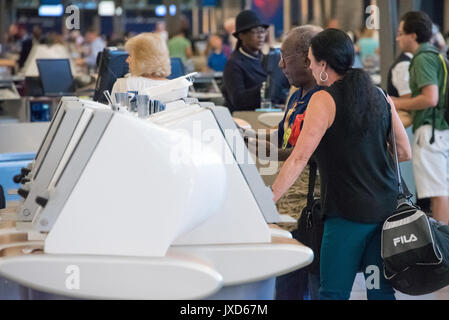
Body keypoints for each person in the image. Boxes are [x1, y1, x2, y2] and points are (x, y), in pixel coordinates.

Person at [271, 28, 411, 300]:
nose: (309, 66)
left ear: (323, 64)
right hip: (384, 211)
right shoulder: (379, 95)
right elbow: (404, 151)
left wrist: (269, 198)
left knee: (333, 292)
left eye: (311, 60)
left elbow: (299, 157)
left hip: (346, 215)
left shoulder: (323, 99)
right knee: (380, 291)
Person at [391, 11, 449, 225]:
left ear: (413, 36)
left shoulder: (422, 59)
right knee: (441, 188)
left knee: (437, 190)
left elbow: (430, 98)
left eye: (400, 34)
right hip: (439, 130)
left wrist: (395, 103)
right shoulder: (436, 55)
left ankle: (442, 244)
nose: (397, 39)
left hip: (429, 132)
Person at [221, 10, 268, 113]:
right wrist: (266, 87)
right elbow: (238, 100)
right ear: (241, 35)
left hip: (265, 115)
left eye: (262, 31)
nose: (260, 36)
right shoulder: (234, 64)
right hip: (243, 121)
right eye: (255, 32)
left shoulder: (266, 60)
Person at [111, 33, 171, 100]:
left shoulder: (122, 85)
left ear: (142, 60)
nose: (127, 60)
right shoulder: (176, 87)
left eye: (130, 55)